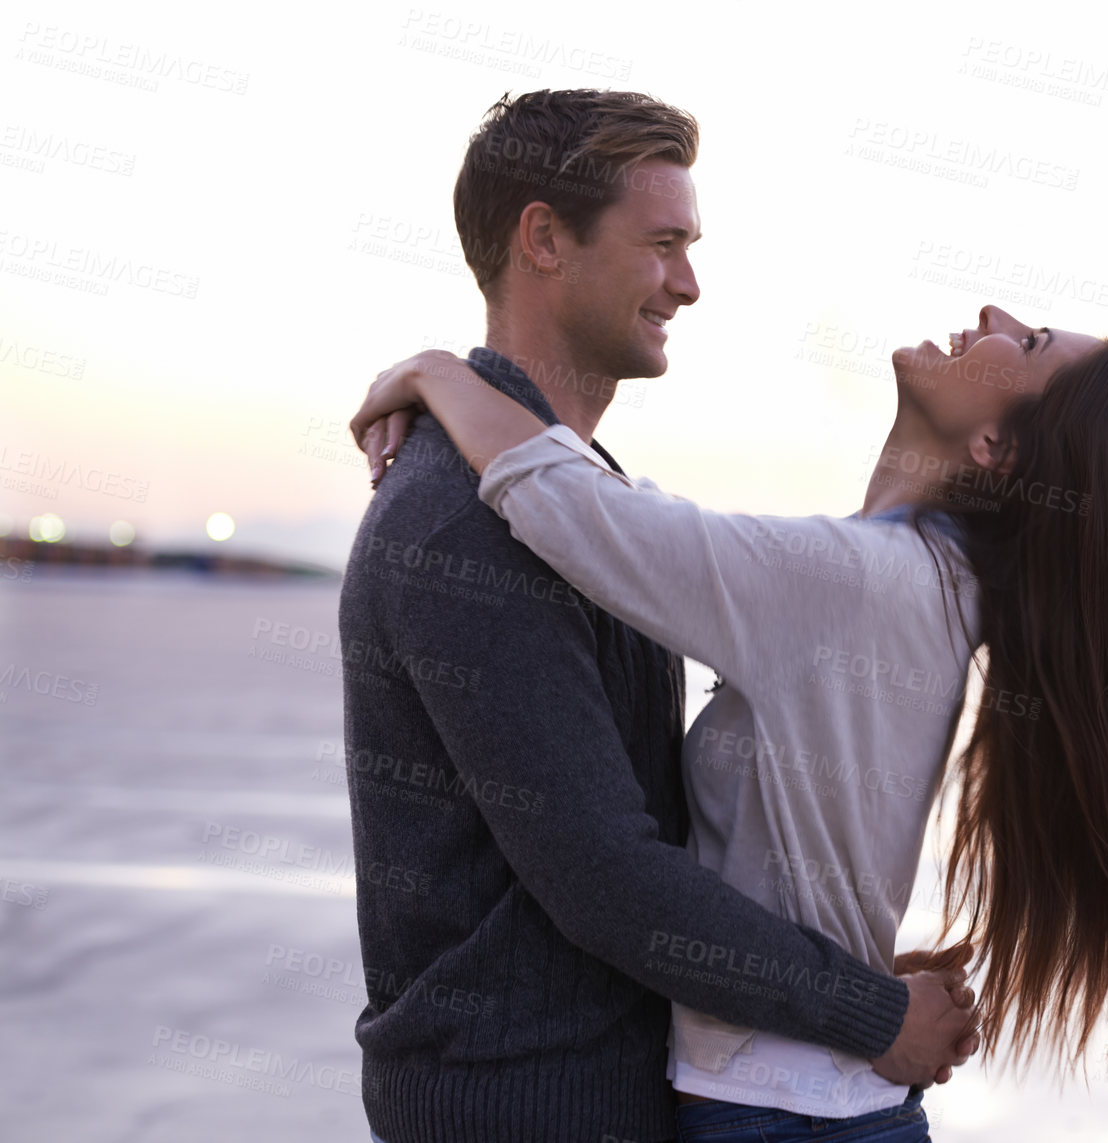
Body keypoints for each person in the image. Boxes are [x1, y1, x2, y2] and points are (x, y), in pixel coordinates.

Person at [350, 300, 1108, 1141]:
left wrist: (438, 371)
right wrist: (867, 980)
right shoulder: (930, 586)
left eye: (1026, 342)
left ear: (995, 446)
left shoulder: (855, 582)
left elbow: (570, 506)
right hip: (821, 1103)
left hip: (781, 1117)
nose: (994, 312)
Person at [338, 88, 975, 1143]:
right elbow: (603, 872)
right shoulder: (467, 521)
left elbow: (642, 825)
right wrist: (870, 1015)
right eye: (662, 244)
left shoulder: (572, 499)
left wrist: (821, 967)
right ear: (543, 238)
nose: (687, 283)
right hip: (515, 1104)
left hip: (603, 1089)